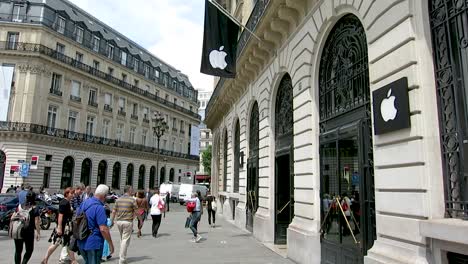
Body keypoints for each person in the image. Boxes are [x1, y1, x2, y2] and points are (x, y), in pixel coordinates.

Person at [78, 184, 114, 264]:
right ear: (104, 196)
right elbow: (103, 229)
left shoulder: (85, 203)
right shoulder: (99, 208)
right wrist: (110, 244)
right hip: (94, 243)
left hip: (81, 241)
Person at [41, 187, 77, 264]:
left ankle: (73, 261)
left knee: (68, 243)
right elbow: (60, 216)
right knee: (56, 243)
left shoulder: (66, 202)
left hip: (66, 226)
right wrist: (59, 227)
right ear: (67, 194)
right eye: (71, 193)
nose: (73, 195)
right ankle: (45, 259)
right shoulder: (65, 202)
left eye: (73, 193)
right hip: (64, 227)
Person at [110, 185, 137, 264]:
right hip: (127, 222)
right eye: (131, 190)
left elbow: (114, 211)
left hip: (119, 222)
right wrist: (141, 220)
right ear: (128, 190)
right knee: (125, 240)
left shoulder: (118, 199)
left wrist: (111, 221)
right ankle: (122, 259)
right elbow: (136, 211)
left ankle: (122, 255)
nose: (132, 191)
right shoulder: (132, 200)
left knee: (122, 239)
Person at [13, 190, 41, 264]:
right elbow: (36, 222)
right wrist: (38, 233)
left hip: (18, 230)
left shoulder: (20, 206)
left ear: (26, 197)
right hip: (28, 231)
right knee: (29, 250)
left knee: (18, 250)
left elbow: (14, 216)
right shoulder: (35, 208)